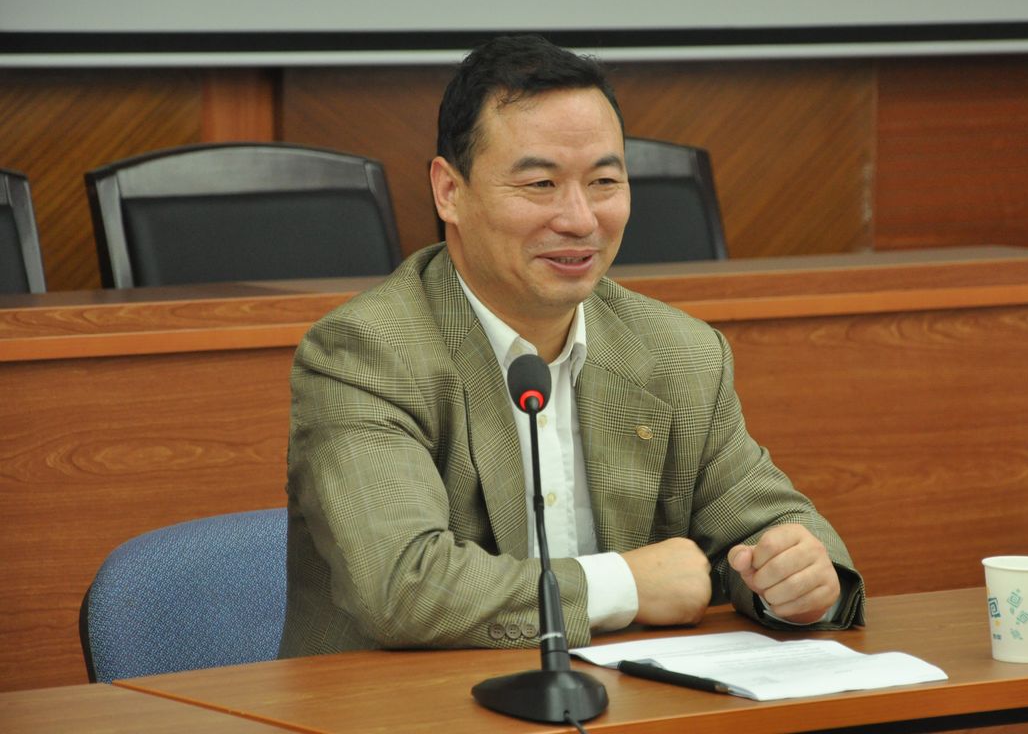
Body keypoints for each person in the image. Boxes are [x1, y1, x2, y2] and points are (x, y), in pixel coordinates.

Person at [279, 34, 864, 658]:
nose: (581, 219)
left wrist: (796, 580)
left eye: (605, 181)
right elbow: (405, 587)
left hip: (619, 700)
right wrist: (626, 586)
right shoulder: (366, 352)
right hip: (403, 704)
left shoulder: (678, 353)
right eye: (541, 184)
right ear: (449, 191)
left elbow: (777, 527)